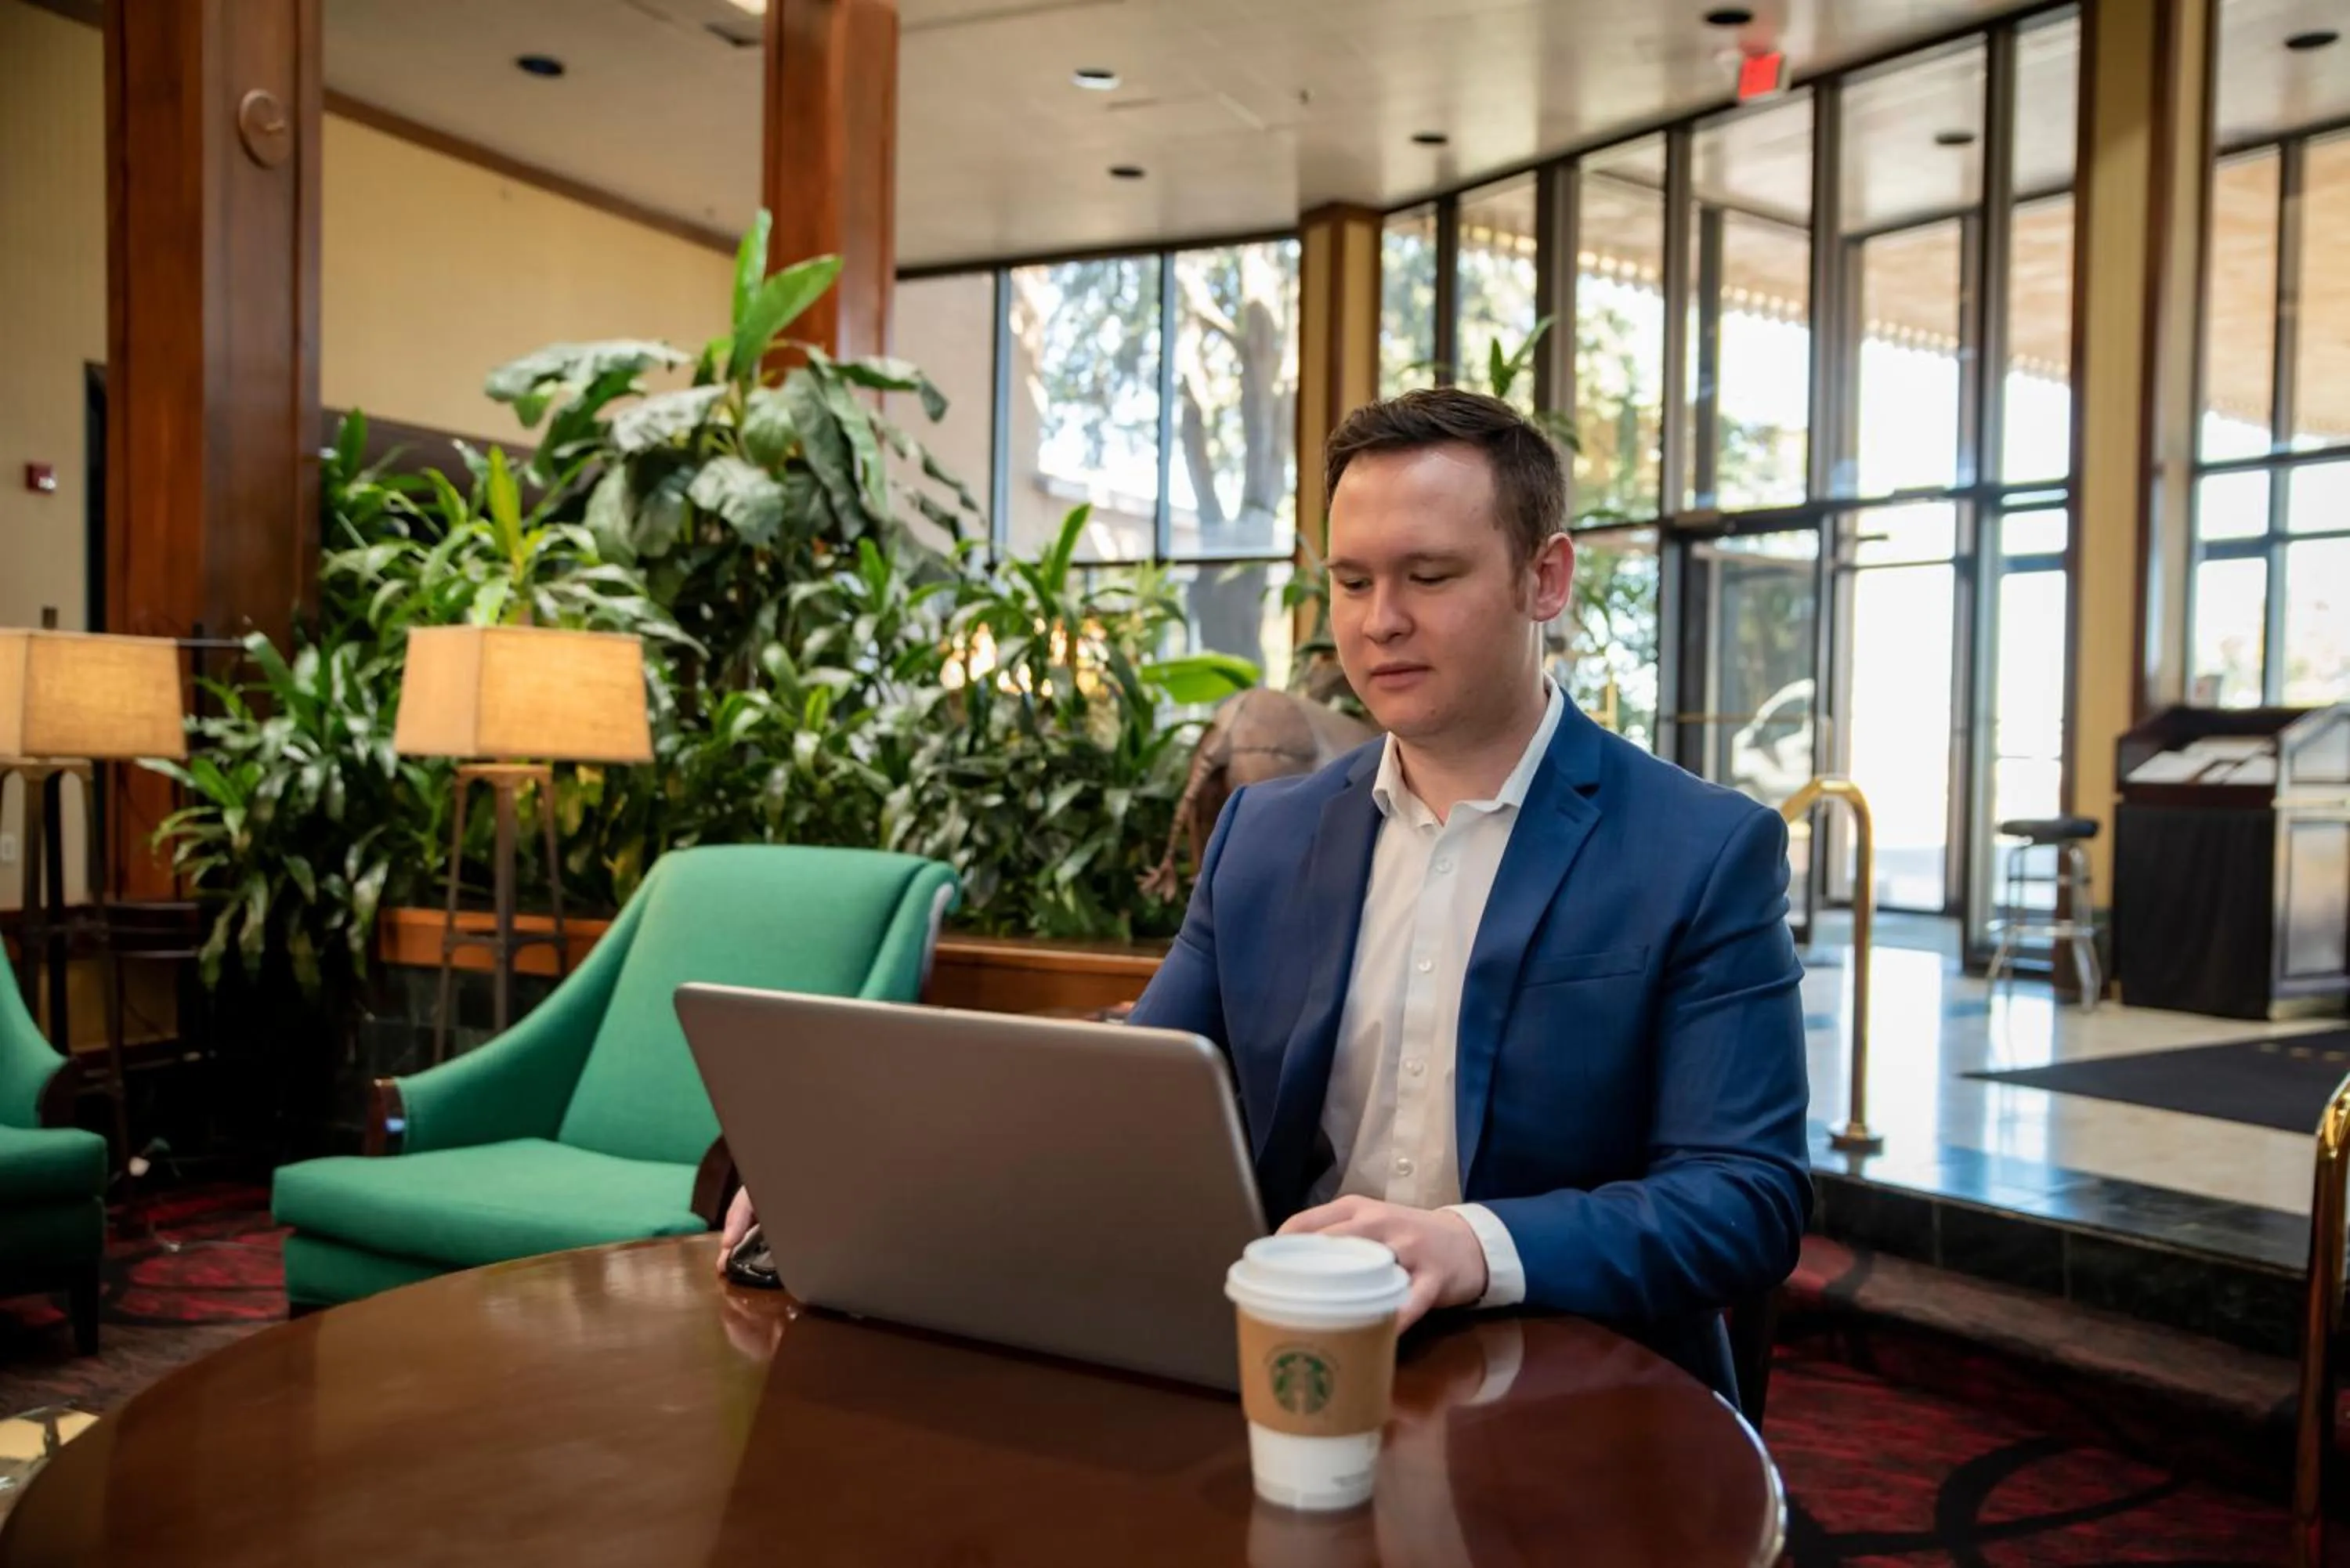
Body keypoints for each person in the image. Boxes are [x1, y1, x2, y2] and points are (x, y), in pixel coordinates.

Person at [723, 386, 1810, 1400]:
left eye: (1430, 577)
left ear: (1547, 579)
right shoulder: (1264, 833)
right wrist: (873, 1171)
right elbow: (1132, 1094)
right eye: (1353, 581)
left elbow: (1744, 1195)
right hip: (1286, 1361)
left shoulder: (1701, 850)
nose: (1380, 620)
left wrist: (1472, 1243)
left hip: (1575, 1384)